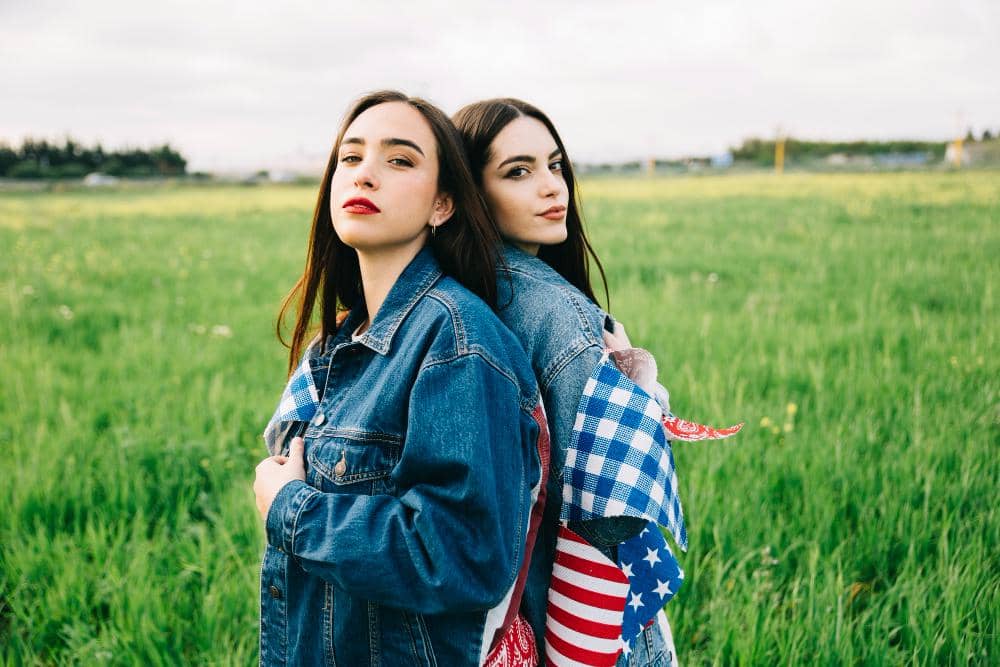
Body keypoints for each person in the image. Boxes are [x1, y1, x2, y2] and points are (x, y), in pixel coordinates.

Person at [253, 91, 548, 667]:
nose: (365, 175)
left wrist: (291, 509)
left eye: (399, 160)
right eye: (351, 157)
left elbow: (462, 557)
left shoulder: (455, 343)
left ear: (442, 205)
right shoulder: (347, 340)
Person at [454, 98, 679, 667]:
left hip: (486, 625)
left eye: (555, 165)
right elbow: (608, 513)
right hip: (578, 620)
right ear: (469, 192)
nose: (553, 187)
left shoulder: (447, 298)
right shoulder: (561, 317)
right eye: (518, 172)